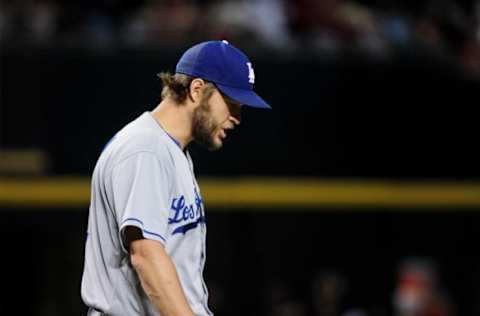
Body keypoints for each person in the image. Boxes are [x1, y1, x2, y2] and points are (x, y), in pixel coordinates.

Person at [80, 40, 271, 316]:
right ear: (197, 89)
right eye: (232, 103)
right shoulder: (146, 149)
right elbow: (146, 255)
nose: (237, 117)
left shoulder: (169, 149)